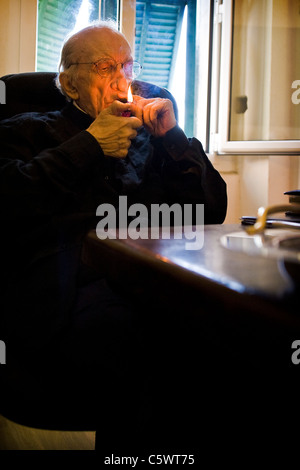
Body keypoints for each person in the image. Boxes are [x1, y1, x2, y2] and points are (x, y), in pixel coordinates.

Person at [0, 22, 227, 452]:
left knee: (219, 334)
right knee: (144, 342)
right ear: (69, 82)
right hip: (64, 296)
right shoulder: (27, 130)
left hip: (154, 284)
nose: (122, 78)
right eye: (106, 67)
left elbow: (211, 211)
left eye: (127, 65)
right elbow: (10, 198)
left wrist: (172, 138)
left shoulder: (154, 139)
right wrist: (90, 144)